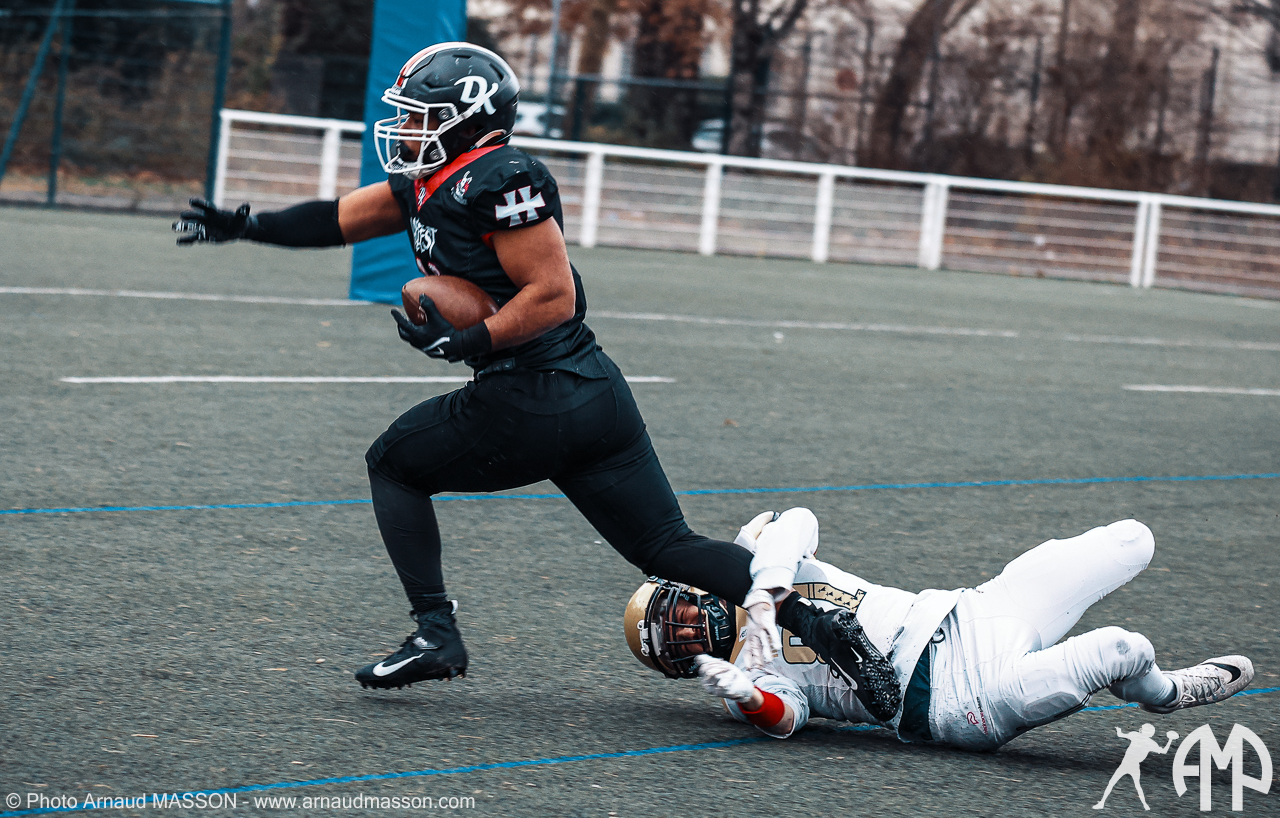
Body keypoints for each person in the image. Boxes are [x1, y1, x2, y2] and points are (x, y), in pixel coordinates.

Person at [173, 42, 861, 690]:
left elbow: (555, 296)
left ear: (467, 120)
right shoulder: (428, 181)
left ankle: (436, 632)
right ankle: (823, 629)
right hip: (593, 393)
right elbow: (337, 219)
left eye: (420, 116)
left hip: (531, 393)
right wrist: (249, 225)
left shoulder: (500, 177)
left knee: (393, 464)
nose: (406, 128)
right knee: (665, 545)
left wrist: (472, 340)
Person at [625, 508, 1254, 750]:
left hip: (971, 611)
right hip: (957, 699)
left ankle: (1147, 681)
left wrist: (767, 588)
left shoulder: (756, 557)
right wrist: (745, 694)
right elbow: (785, 718)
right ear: (680, 668)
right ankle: (1167, 691)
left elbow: (799, 521)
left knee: (1133, 540)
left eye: (679, 616)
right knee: (1124, 647)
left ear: (691, 588)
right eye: (676, 646)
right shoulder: (746, 675)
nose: (691, 633)